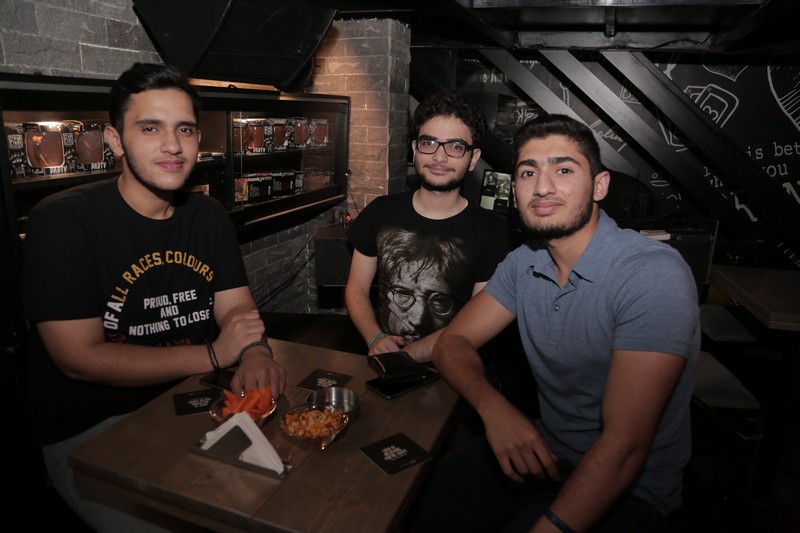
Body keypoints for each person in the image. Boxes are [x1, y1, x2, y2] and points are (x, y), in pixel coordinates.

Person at [23, 62, 286, 531]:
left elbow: (236, 308)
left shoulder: (208, 216)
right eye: (150, 128)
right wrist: (214, 354)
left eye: (184, 129)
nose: (172, 145)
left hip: (193, 399)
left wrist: (254, 352)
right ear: (114, 140)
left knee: (281, 500)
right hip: (91, 427)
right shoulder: (63, 221)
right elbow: (78, 358)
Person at [407, 114, 700, 532]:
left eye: (563, 170)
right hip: (548, 451)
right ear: (515, 191)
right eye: (529, 173)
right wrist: (495, 409)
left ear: (599, 186)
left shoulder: (650, 273)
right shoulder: (524, 262)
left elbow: (624, 447)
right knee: (417, 498)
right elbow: (453, 342)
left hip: (634, 489)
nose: (543, 187)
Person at [345, 90, 510, 362]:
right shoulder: (380, 211)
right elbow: (357, 288)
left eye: (455, 146)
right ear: (415, 149)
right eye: (429, 142)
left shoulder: (491, 231)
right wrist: (374, 338)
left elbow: (475, 321)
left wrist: (404, 358)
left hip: (454, 369)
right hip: (379, 362)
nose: (439, 157)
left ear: (473, 158)